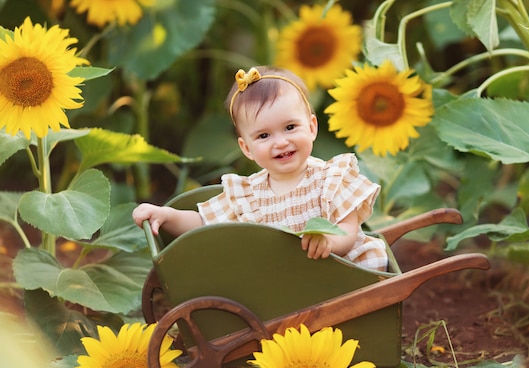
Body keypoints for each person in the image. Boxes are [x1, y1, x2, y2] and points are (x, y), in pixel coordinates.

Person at [133, 66, 388, 271]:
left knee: (367, 264)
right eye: (264, 136)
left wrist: (329, 242)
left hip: (340, 271)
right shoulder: (247, 194)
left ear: (311, 127)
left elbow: (348, 230)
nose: (280, 142)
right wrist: (167, 215)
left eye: (290, 127)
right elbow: (203, 222)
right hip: (288, 282)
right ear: (247, 148)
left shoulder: (331, 179)